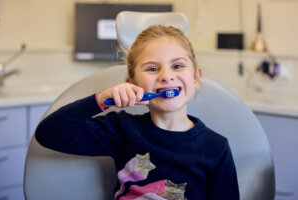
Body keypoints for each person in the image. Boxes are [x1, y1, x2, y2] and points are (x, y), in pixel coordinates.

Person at [35, 25, 239, 200]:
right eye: (152, 69)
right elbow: (50, 134)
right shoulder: (121, 129)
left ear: (195, 78)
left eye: (177, 66)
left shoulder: (216, 148)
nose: (167, 76)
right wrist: (102, 100)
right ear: (132, 85)